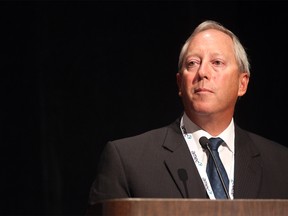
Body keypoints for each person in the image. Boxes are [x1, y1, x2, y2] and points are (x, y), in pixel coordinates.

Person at [87, 20, 288, 207]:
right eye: (192, 63)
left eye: (217, 62)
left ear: (242, 83)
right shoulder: (128, 161)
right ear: (179, 83)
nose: (202, 72)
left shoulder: (281, 164)